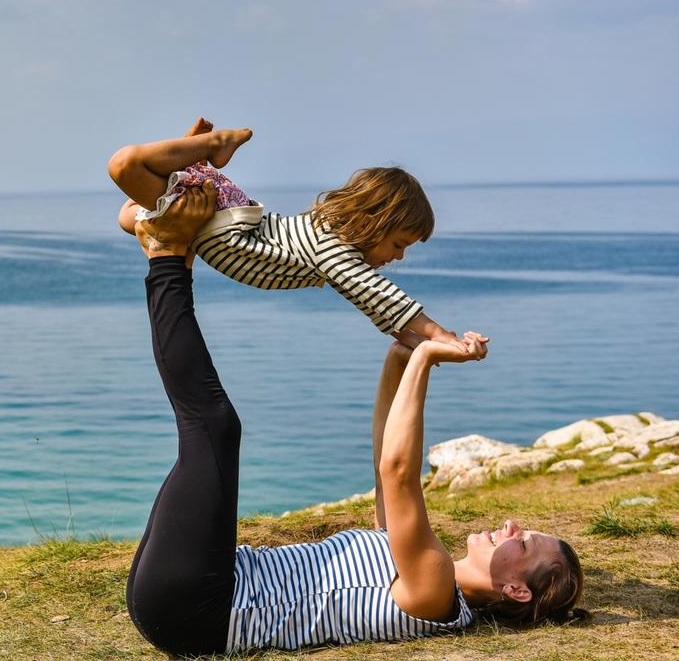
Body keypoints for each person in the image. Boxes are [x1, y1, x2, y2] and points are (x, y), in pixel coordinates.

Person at [125, 184, 584, 656]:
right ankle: (167, 240)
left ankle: (168, 256)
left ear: (517, 591)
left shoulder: (434, 593)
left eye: (524, 545)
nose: (511, 526)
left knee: (215, 429)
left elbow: (400, 471)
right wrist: (399, 359)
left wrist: (425, 355)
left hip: (202, 607)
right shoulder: (418, 559)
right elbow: (385, 457)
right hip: (196, 586)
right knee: (211, 430)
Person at [108, 119, 466, 348]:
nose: (399, 257)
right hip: (218, 218)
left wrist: (418, 341)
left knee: (129, 219)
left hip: (219, 218)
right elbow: (381, 295)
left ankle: (186, 162)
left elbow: (375, 306)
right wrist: (444, 335)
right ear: (376, 221)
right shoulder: (332, 248)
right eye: (399, 244)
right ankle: (211, 146)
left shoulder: (330, 252)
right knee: (124, 165)